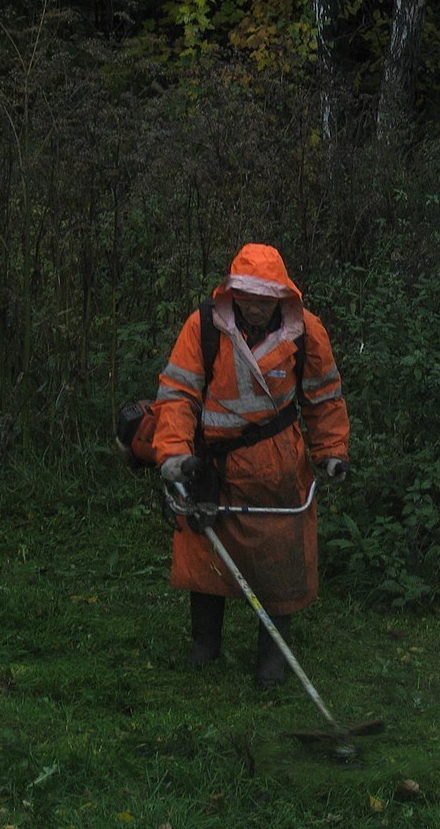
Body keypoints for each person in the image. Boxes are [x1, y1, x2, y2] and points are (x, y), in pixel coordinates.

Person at [152, 242, 351, 688]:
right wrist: (174, 453)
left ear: (281, 296)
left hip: (277, 471)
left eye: (265, 298)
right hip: (211, 468)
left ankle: (272, 663)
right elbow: (178, 394)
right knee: (205, 556)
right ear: (233, 293)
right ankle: (205, 649)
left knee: (280, 562)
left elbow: (323, 396)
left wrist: (332, 452)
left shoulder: (305, 332)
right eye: (247, 296)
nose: (255, 307)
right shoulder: (204, 327)